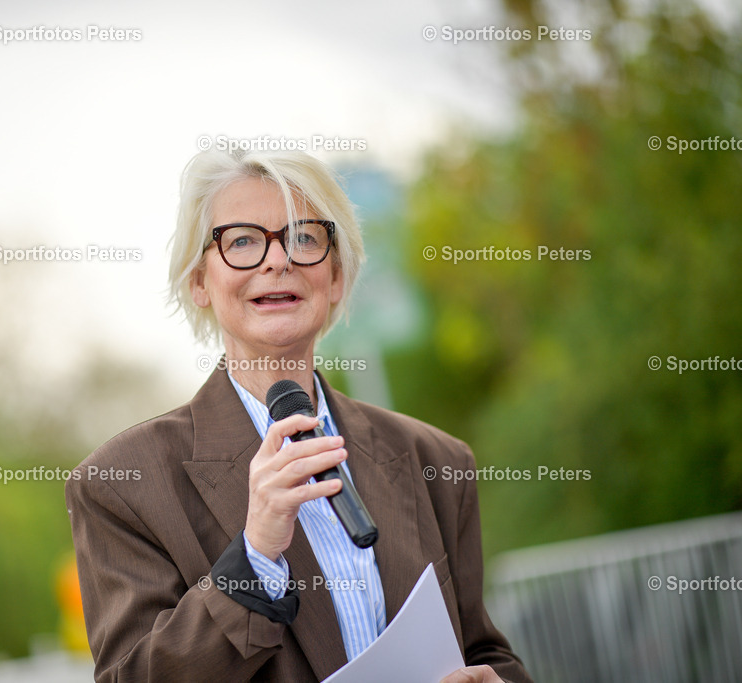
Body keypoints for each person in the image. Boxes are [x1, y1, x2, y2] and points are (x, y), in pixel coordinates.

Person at [66, 149, 532, 682]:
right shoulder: (123, 484)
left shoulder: (436, 460)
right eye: (241, 240)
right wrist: (256, 556)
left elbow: (485, 652)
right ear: (199, 282)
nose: (277, 260)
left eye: (304, 238)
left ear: (336, 277)